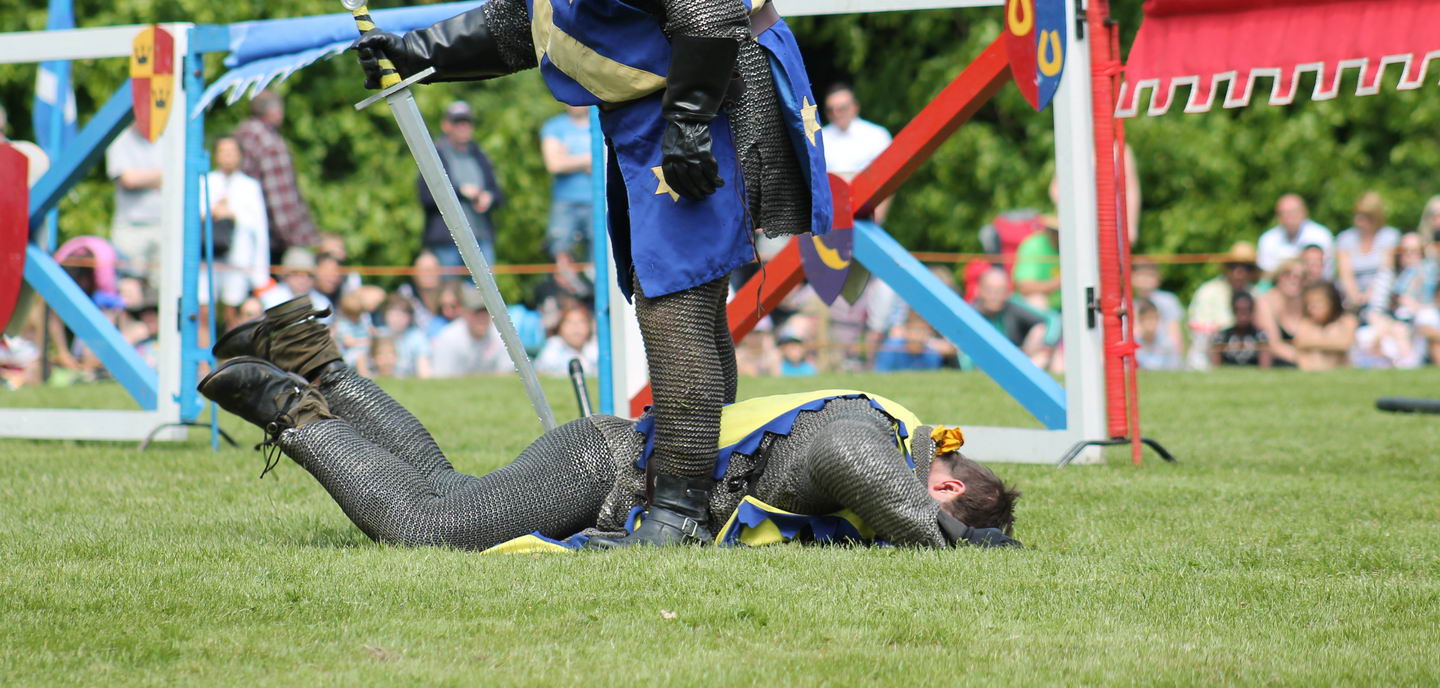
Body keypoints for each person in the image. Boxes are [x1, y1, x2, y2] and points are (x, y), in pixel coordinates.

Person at [350, 0, 832, 546]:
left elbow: (707, 6)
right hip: (653, 113)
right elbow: (532, 24)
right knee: (681, 301)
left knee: (674, 305)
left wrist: (689, 120)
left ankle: (676, 512)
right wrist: (417, 51)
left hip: (706, 91)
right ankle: (704, 489)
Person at [197, 305, 1021, 551]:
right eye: (936, 507)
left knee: (446, 491)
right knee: (429, 525)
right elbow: (844, 458)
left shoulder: (891, 434)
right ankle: (291, 412)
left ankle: (314, 362)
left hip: (608, 465)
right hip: (606, 467)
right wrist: (951, 538)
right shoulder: (875, 440)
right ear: (943, 484)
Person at [234, 90, 319, 264]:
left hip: (240, 231)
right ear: (273, 112)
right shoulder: (269, 142)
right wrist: (296, 239)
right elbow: (280, 199)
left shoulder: (241, 133)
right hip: (271, 238)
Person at [422, 101, 504, 269]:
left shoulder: (480, 155)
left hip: (480, 237)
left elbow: (498, 193)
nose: (463, 127)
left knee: (486, 285)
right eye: (457, 122)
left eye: (467, 122)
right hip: (447, 241)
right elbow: (426, 196)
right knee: (448, 286)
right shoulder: (435, 155)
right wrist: (460, 191)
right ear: (446, 125)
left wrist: (489, 198)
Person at [204, 135, 269, 309]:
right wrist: (213, 213)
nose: (228, 156)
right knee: (203, 307)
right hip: (207, 257)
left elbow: (259, 229)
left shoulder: (250, 186)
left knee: (232, 308)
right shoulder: (205, 182)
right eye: (223, 152)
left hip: (238, 258)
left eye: (232, 152)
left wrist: (260, 271)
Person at [105, 124, 165, 288]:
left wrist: (144, 178)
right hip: (131, 225)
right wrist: (162, 176)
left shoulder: (167, 137)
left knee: (163, 286)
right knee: (129, 285)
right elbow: (129, 180)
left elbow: (179, 176)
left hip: (164, 224)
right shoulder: (120, 139)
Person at [1186, 242, 1258, 370]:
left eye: (1247, 267)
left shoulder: (1254, 293)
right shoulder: (1208, 291)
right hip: (1208, 354)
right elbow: (1200, 331)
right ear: (1226, 268)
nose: (1239, 272)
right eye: (1234, 266)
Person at [968, 267, 1055, 372]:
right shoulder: (968, 313)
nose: (994, 295)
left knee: (1039, 329)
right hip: (980, 363)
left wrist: (1048, 342)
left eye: (1000, 290)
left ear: (1008, 292)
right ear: (978, 290)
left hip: (1018, 360)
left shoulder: (1013, 306)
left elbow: (1052, 319)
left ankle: (1027, 372)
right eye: (989, 290)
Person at [540, 104, 594, 262]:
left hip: (598, 202)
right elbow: (555, 165)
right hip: (565, 202)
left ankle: (591, 278)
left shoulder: (600, 123)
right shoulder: (554, 126)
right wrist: (589, 159)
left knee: (599, 255)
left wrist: (569, 159)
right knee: (560, 252)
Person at [1334, 191, 1400, 312]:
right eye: (1358, 215)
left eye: (1366, 217)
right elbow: (1345, 275)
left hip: (1380, 298)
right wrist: (1356, 297)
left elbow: (1386, 271)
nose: (1360, 220)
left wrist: (1369, 297)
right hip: (1351, 299)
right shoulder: (1345, 238)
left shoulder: (1389, 236)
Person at [429, 285, 504, 377]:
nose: (481, 317)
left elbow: (507, 373)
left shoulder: (501, 336)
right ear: (464, 313)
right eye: (476, 313)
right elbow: (441, 377)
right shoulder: (448, 339)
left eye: (485, 312)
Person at [1257, 193, 1334, 277]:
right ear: (1277, 216)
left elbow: (1327, 272)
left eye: (1293, 212)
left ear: (1305, 212)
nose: (1289, 217)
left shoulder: (1321, 235)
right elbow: (1264, 274)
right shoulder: (1267, 239)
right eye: (1284, 213)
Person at [1293, 281, 1356, 372]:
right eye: (1309, 303)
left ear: (1331, 302)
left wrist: (1314, 343)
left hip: (1339, 366)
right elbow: (1300, 343)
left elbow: (1346, 344)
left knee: (1333, 330)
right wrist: (1330, 342)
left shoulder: (1346, 320)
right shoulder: (1306, 323)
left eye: (1318, 302)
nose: (1312, 307)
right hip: (1310, 369)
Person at [1255, 259, 1305, 368]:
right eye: (1287, 274)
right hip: (1276, 365)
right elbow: (1273, 345)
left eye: (1300, 276)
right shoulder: (1265, 302)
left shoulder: (1308, 302)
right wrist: (1308, 361)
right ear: (1278, 277)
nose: (1294, 280)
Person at [1131, 261, 1183, 361]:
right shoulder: (1129, 304)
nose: (1145, 280)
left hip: (1163, 353)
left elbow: (1175, 334)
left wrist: (1176, 359)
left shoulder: (1168, 301)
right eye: (1141, 276)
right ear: (1132, 278)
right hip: (1139, 353)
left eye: (1150, 276)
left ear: (1158, 279)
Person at [259, 247, 332, 318]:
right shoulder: (269, 299)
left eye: (309, 274)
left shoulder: (322, 303)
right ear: (285, 275)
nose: (304, 280)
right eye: (297, 273)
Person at [532, 303, 597, 377]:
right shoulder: (553, 347)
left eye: (581, 322)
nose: (576, 327)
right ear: (560, 327)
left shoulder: (595, 347)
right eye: (570, 322)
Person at [1210, 292, 1271, 368]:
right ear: (1233, 310)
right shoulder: (1221, 337)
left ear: (1252, 310)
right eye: (1238, 310)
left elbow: (1265, 368)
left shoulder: (1260, 336)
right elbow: (1216, 368)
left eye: (1246, 310)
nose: (1242, 315)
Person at [380, 294, 432, 378]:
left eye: (402, 314)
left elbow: (424, 370)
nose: (397, 318)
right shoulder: (380, 335)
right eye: (393, 314)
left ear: (410, 317)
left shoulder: (417, 337)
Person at [1134, 298, 1184, 371]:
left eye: (1154, 318)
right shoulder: (1134, 345)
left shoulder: (1167, 344)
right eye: (1147, 318)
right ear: (1140, 320)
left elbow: (1174, 367)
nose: (1151, 322)